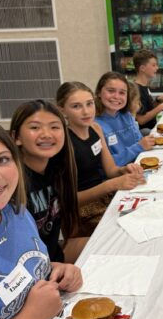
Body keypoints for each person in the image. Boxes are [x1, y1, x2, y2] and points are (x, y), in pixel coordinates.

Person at [0, 122, 82, 319]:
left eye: (1, 160)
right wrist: (29, 318)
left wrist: (57, 269)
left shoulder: (16, 213)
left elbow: (27, 265)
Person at [56, 82, 144, 237]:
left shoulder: (95, 128)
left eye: (89, 104)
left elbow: (110, 170)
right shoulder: (63, 142)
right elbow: (66, 201)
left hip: (106, 198)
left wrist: (124, 169)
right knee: (127, 235)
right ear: (62, 110)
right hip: (81, 212)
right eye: (76, 106)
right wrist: (111, 185)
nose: (86, 111)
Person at [10, 100, 86, 264]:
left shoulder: (58, 170)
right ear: (16, 137)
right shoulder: (11, 182)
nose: (46, 134)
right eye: (35, 127)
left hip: (55, 259)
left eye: (54, 127)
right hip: (32, 270)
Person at [95, 71, 155, 166]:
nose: (116, 96)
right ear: (99, 92)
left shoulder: (127, 116)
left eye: (122, 93)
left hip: (137, 166)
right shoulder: (95, 125)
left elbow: (140, 143)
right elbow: (106, 166)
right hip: (119, 173)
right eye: (111, 91)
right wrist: (139, 147)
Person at [133, 50, 163, 134]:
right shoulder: (135, 90)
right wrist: (161, 107)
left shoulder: (144, 86)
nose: (157, 68)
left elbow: (147, 109)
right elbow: (141, 120)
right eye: (153, 65)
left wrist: (158, 100)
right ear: (142, 68)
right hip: (145, 133)